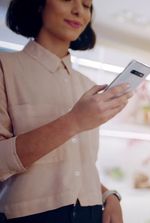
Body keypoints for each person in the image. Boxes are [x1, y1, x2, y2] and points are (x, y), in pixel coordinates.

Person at [0, 0, 132, 222]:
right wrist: (73, 122)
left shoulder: (87, 85)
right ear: (39, 4)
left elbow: (76, 166)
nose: (78, 10)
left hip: (90, 212)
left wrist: (109, 196)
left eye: (87, 5)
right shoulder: (5, 67)